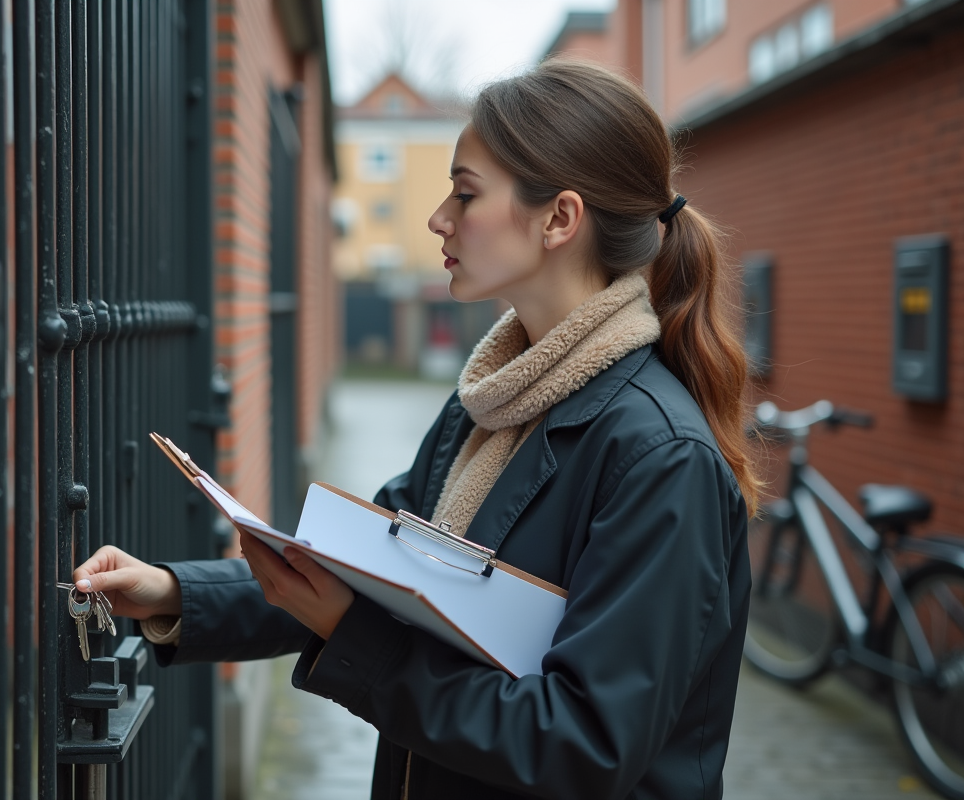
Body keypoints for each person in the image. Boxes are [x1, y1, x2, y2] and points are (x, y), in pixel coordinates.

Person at [74, 59, 758, 800]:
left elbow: (584, 744)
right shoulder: (485, 406)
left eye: (466, 193)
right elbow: (350, 570)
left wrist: (354, 637)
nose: (439, 218)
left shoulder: (660, 458)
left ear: (560, 218)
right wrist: (172, 591)